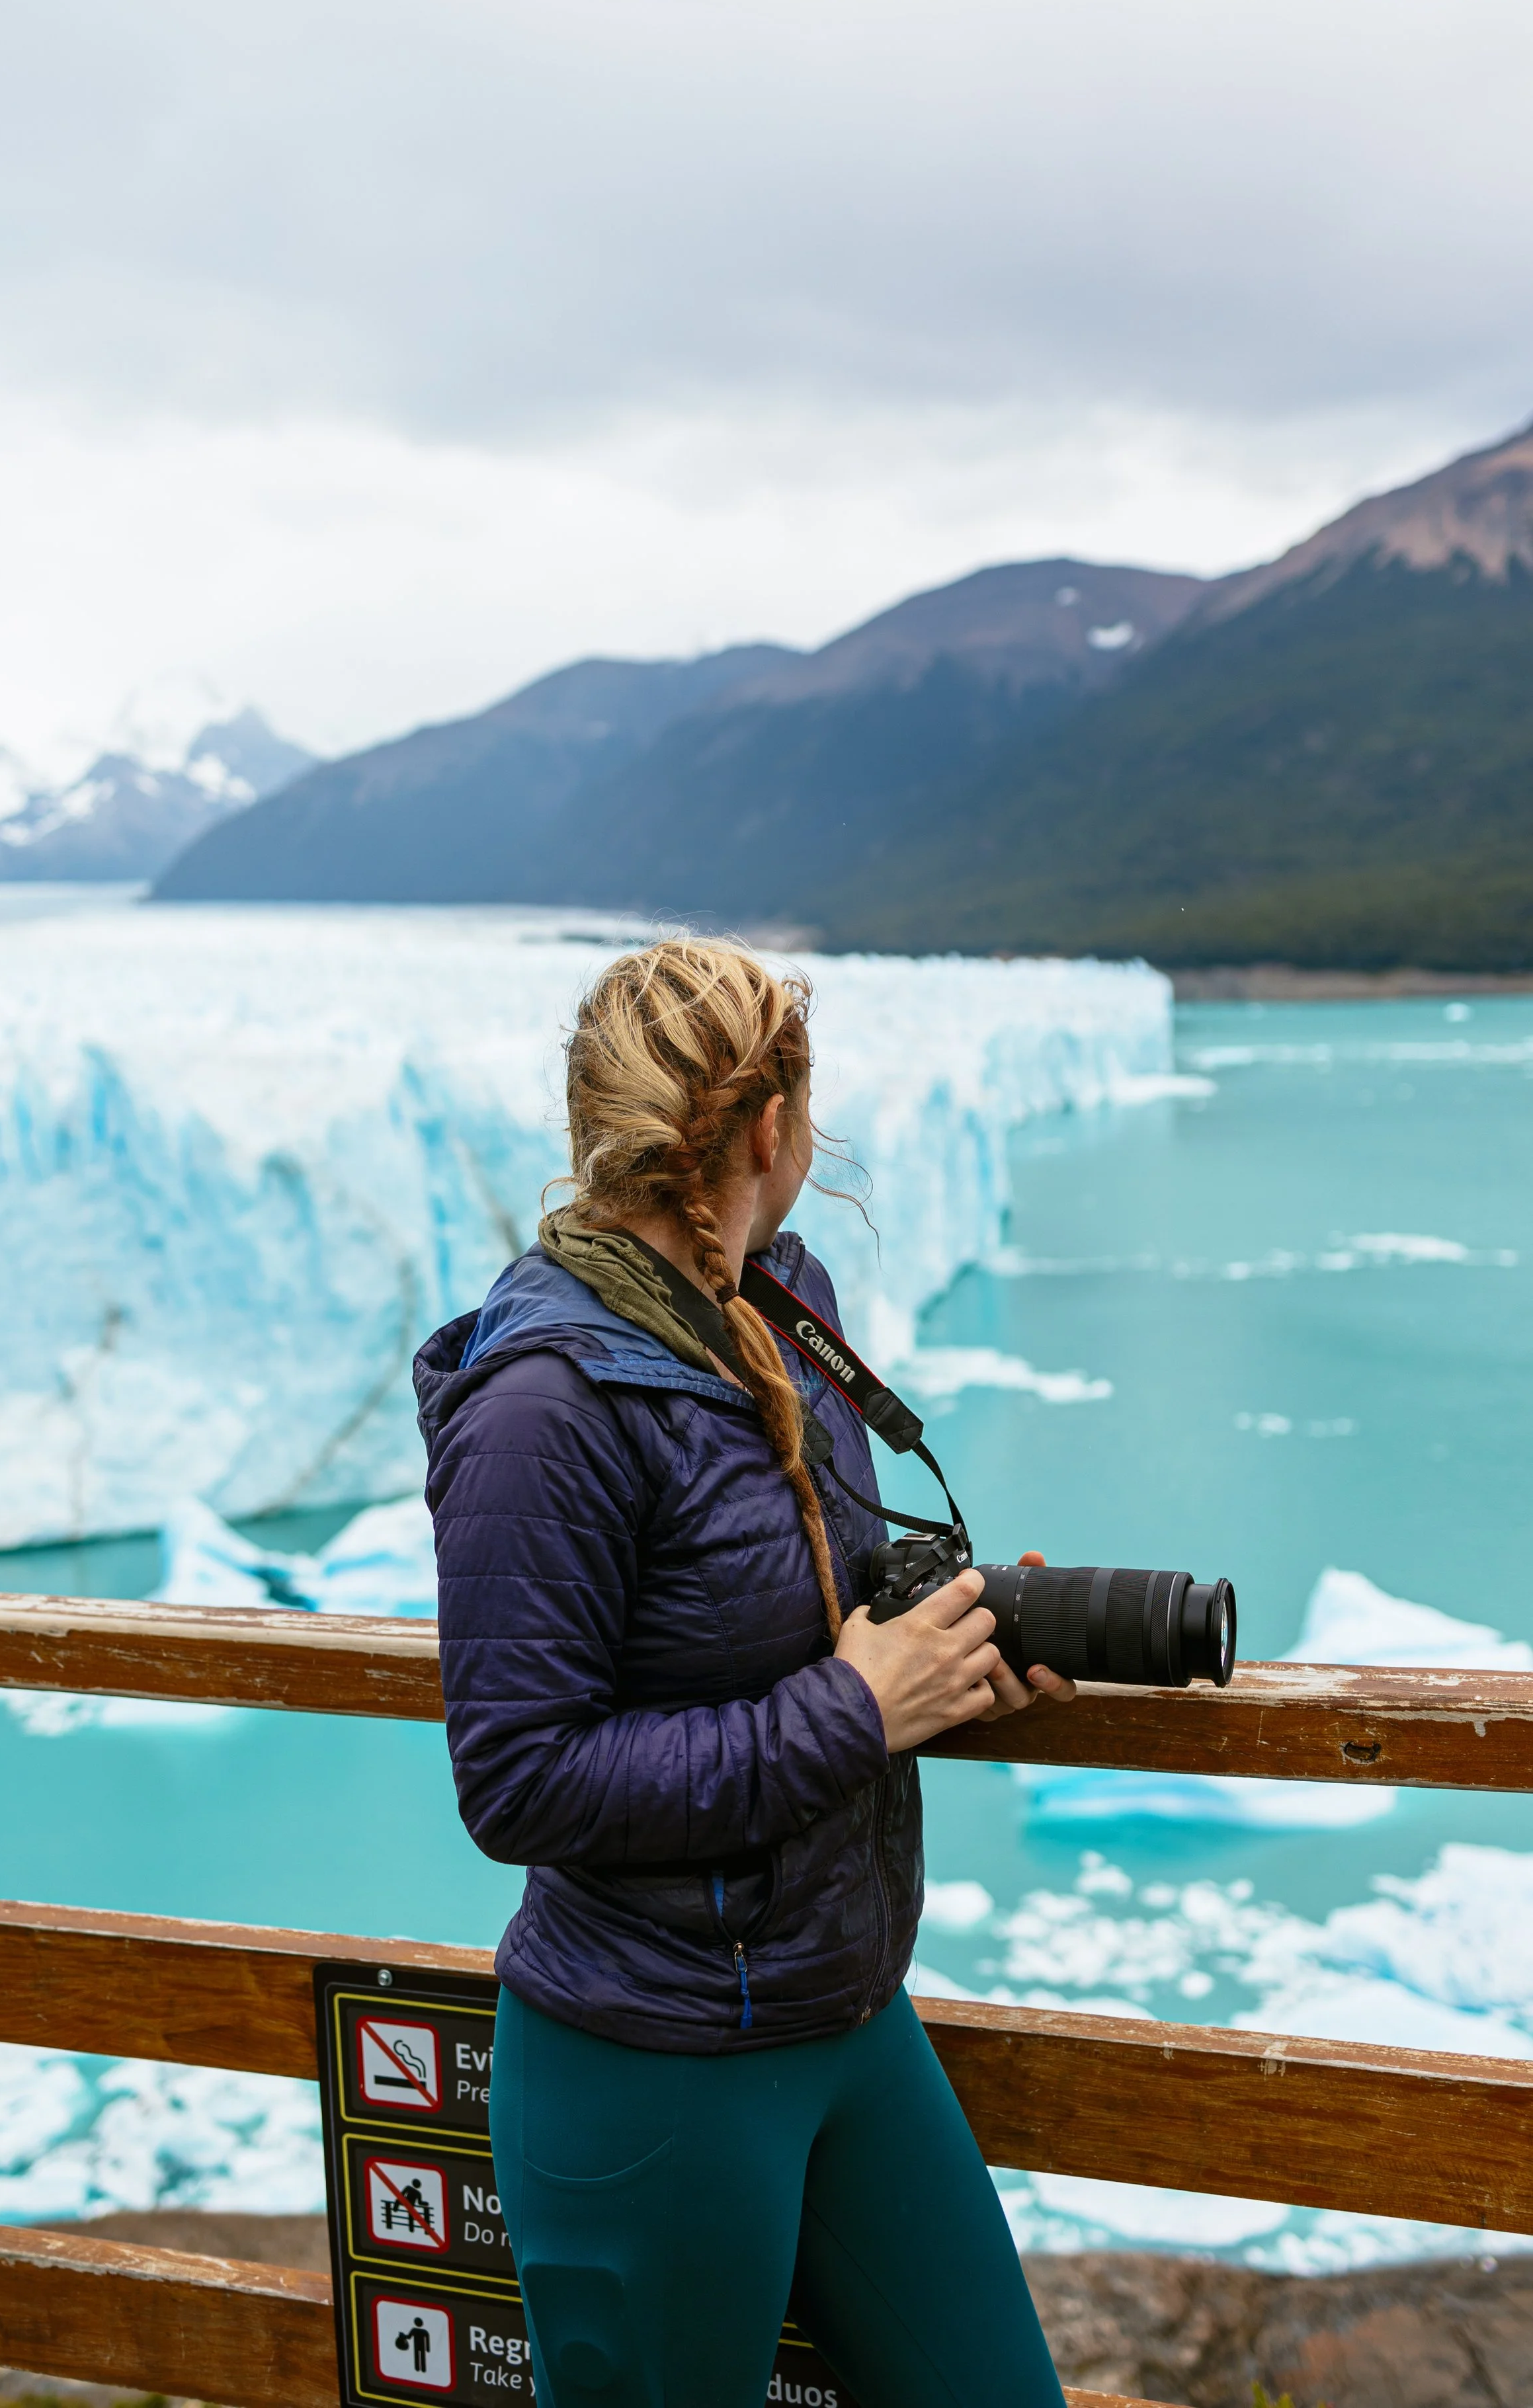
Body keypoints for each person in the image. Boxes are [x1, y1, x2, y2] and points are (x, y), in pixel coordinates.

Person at [414, 937, 1075, 2408]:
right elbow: (519, 1779)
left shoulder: (781, 1299)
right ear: (769, 1126)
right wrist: (856, 1705)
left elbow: (792, 1597)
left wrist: (949, 1642)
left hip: (845, 2017)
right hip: (651, 2062)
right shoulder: (543, 1403)